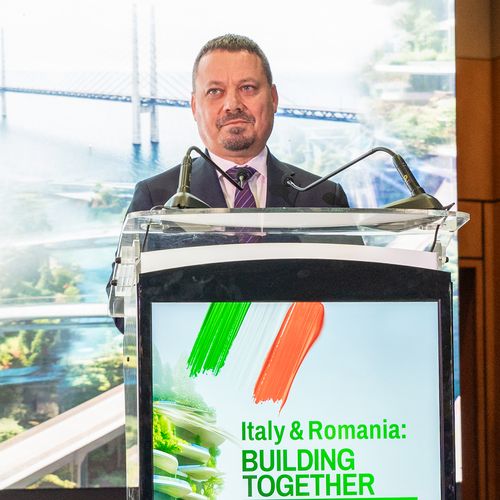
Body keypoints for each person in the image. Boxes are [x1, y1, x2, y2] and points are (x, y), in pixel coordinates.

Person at [126, 33, 349, 211]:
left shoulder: (325, 197)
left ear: (273, 99)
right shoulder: (154, 198)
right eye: (215, 91)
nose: (232, 105)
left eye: (247, 88)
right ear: (195, 107)